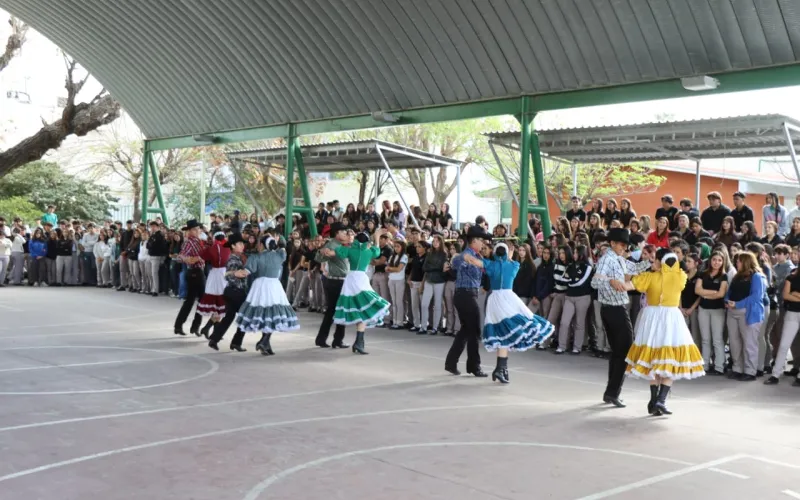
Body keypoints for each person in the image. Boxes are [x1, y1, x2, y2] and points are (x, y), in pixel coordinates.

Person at [624, 248, 705, 415]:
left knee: (653, 359)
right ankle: (660, 400)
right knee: (671, 358)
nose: (651, 262)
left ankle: (654, 400)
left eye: (654, 259)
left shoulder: (649, 277)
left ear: (661, 262)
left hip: (652, 319)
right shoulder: (680, 277)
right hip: (672, 319)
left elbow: (627, 285)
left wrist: (611, 280)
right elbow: (679, 272)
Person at [591, 228, 653, 407]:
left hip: (613, 308)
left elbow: (634, 268)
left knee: (619, 351)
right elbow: (595, 281)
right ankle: (612, 392)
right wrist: (610, 281)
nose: (624, 248)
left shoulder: (617, 259)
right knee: (624, 350)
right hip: (614, 309)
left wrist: (648, 262)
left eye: (625, 245)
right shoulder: (607, 259)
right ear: (612, 243)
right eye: (621, 244)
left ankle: (611, 392)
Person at [475, 242, 554, 383]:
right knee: (507, 332)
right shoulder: (514, 265)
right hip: (509, 298)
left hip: (495, 300)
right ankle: (501, 369)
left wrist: (467, 256)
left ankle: (501, 368)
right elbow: (508, 263)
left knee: (501, 333)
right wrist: (510, 257)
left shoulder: (490, 265)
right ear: (507, 253)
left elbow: (476, 261)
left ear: (495, 253)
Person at [326, 229, 391, 354]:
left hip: (350, 279)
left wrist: (341, 243)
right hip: (361, 279)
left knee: (358, 309)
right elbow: (377, 251)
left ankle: (359, 343)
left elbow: (335, 252)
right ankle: (359, 343)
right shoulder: (369, 251)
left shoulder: (350, 250)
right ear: (367, 242)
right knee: (363, 308)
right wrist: (377, 236)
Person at [236, 235, 299, 355]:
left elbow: (245, 273)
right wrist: (275, 242)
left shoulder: (256, 257)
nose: (257, 245)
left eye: (259, 243)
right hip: (274, 286)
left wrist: (232, 273)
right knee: (272, 314)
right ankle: (265, 343)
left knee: (265, 314)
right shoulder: (279, 255)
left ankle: (264, 341)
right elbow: (283, 249)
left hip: (260, 286)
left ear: (262, 245)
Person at [445, 225, 492, 377]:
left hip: (468, 295)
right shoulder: (467, 254)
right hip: (465, 295)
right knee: (475, 330)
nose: (483, 243)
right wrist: (459, 258)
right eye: (481, 240)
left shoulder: (478, 256)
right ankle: (474, 366)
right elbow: (458, 262)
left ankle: (451, 362)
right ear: (474, 241)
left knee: (466, 330)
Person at [725, 251, 768, 381]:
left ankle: (750, 371)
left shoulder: (757, 276)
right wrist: (727, 300)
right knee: (734, 343)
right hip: (732, 311)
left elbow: (756, 297)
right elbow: (730, 291)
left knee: (749, 343)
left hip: (748, 312)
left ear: (746, 262)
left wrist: (737, 304)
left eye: (739, 261)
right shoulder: (737, 276)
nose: (736, 263)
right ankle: (737, 368)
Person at [208, 233, 249, 352]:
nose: (242, 246)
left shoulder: (237, 257)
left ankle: (214, 339)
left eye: (242, 243)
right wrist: (237, 274)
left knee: (229, 317)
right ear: (233, 246)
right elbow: (229, 276)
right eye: (240, 244)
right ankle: (236, 342)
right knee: (245, 317)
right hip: (237, 292)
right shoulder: (233, 259)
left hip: (231, 292)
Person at [314, 223, 350, 348]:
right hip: (336, 281)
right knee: (335, 310)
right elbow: (319, 258)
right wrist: (321, 251)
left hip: (341, 281)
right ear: (336, 233)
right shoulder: (332, 245)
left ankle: (331, 339)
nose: (345, 234)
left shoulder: (340, 245)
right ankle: (333, 340)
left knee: (336, 310)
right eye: (343, 232)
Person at [173, 219, 207, 336]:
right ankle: (194, 326)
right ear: (191, 231)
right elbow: (180, 256)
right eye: (195, 229)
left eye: (198, 229)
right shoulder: (190, 242)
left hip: (198, 271)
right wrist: (190, 259)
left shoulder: (199, 241)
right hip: (195, 272)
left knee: (192, 300)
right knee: (200, 300)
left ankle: (180, 326)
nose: (198, 231)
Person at [197, 232, 231, 338]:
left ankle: (210, 330)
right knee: (221, 304)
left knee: (218, 305)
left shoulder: (212, 248)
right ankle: (210, 330)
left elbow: (202, 255)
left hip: (214, 274)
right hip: (224, 274)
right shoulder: (228, 248)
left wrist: (205, 245)